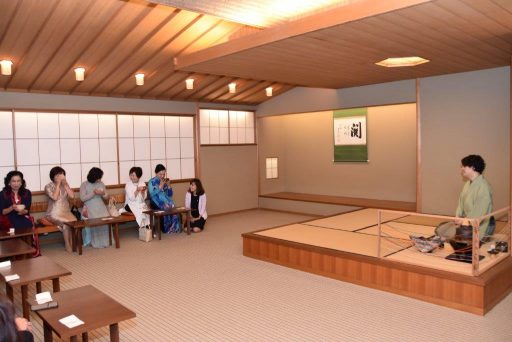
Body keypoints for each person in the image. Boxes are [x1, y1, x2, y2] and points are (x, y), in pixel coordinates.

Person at [436, 155, 494, 241]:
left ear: (473, 168)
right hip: (465, 221)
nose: (462, 169)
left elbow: (479, 213)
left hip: (477, 226)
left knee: (453, 233)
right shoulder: (467, 184)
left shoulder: (483, 188)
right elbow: (461, 203)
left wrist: (464, 221)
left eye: (464, 166)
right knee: (440, 228)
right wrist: (458, 216)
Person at [0, 170, 40, 257]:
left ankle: (28, 249)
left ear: (22, 182)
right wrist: (11, 208)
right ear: (9, 182)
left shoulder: (26, 193)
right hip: (7, 217)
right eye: (13, 181)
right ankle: (13, 252)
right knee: (13, 227)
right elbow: (2, 211)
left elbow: (27, 210)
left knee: (28, 223)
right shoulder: (3, 194)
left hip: (21, 216)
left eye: (18, 181)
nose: (16, 183)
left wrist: (22, 211)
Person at [43, 166, 76, 252]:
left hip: (66, 212)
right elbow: (54, 197)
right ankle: (67, 245)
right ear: (52, 176)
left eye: (61, 174)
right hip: (53, 213)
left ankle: (73, 243)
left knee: (74, 222)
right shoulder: (48, 186)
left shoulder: (65, 184)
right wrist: (58, 184)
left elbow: (72, 196)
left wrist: (65, 184)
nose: (60, 176)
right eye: (57, 175)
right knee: (66, 224)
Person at [80, 167, 110, 248]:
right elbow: (82, 198)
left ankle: (105, 241)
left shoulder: (101, 183)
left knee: (105, 218)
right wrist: (93, 193)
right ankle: (94, 242)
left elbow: (106, 198)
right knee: (94, 219)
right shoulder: (84, 184)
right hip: (89, 207)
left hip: (100, 206)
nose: (100, 179)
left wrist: (103, 193)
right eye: (98, 178)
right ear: (93, 177)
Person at [148, 164, 180, 233]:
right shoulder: (151, 182)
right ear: (156, 173)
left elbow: (169, 194)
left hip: (165, 200)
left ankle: (174, 227)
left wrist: (168, 186)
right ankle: (166, 228)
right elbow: (151, 194)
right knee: (166, 206)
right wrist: (160, 187)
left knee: (173, 206)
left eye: (163, 174)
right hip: (155, 201)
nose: (162, 176)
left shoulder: (164, 181)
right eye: (160, 174)